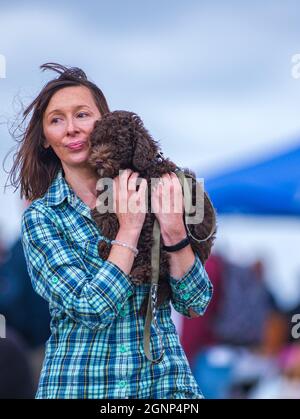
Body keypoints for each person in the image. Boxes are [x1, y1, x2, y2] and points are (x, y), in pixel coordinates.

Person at [9, 63, 213, 399]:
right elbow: (91, 308)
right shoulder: (42, 218)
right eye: (57, 120)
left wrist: (175, 232)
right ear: (45, 139)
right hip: (80, 386)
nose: (71, 128)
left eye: (82, 115)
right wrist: (130, 229)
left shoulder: (156, 188)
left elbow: (196, 304)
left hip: (162, 386)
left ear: (103, 121)